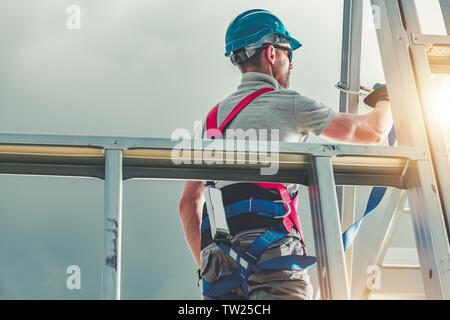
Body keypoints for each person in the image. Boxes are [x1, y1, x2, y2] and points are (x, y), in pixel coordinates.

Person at [178, 9, 393, 300]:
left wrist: (209, 266)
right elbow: (371, 133)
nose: (291, 64)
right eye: (289, 54)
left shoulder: (211, 121)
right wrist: (386, 102)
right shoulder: (288, 104)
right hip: (273, 256)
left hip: (219, 266)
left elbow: (188, 203)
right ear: (271, 53)